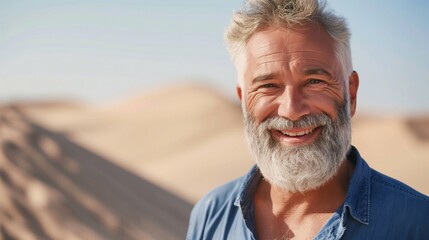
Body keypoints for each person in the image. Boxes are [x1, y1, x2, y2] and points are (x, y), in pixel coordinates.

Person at [186, 0, 429, 239]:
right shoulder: (211, 215)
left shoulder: (417, 223)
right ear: (243, 102)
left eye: (314, 82)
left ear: (351, 94)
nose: (292, 110)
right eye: (268, 86)